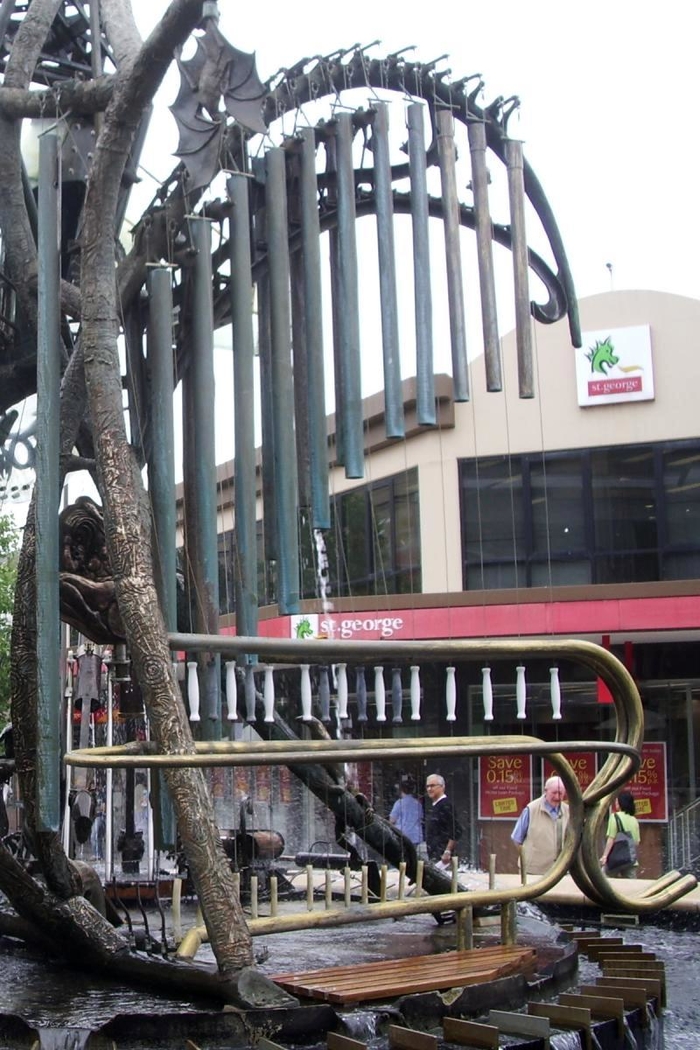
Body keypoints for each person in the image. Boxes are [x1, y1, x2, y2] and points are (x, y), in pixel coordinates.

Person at [511, 775, 569, 878]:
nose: (557, 797)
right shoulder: (531, 809)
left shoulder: (568, 811)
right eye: (554, 793)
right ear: (545, 791)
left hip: (559, 871)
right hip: (533, 872)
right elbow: (517, 839)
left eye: (560, 793)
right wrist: (530, 858)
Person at [600, 791, 640, 878]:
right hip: (630, 861)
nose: (616, 803)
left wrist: (605, 856)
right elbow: (636, 842)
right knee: (631, 888)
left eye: (617, 801)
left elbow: (611, 839)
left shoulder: (615, 817)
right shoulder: (634, 820)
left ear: (621, 803)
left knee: (607, 883)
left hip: (615, 860)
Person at [425, 773, 462, 864]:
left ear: (442, 787)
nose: (429, 789)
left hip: (442, 858)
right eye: (427, 786)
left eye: (433, 786)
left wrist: (447, 851)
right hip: (434, 855)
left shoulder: (446, 805)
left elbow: (456, 830)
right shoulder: (435, 806)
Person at [389, 777, 424, 847]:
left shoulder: (399, 803)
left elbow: (392, 820)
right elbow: (421, 818)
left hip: (402, 835)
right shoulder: (418, 803)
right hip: (415, 836)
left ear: (401, 790)